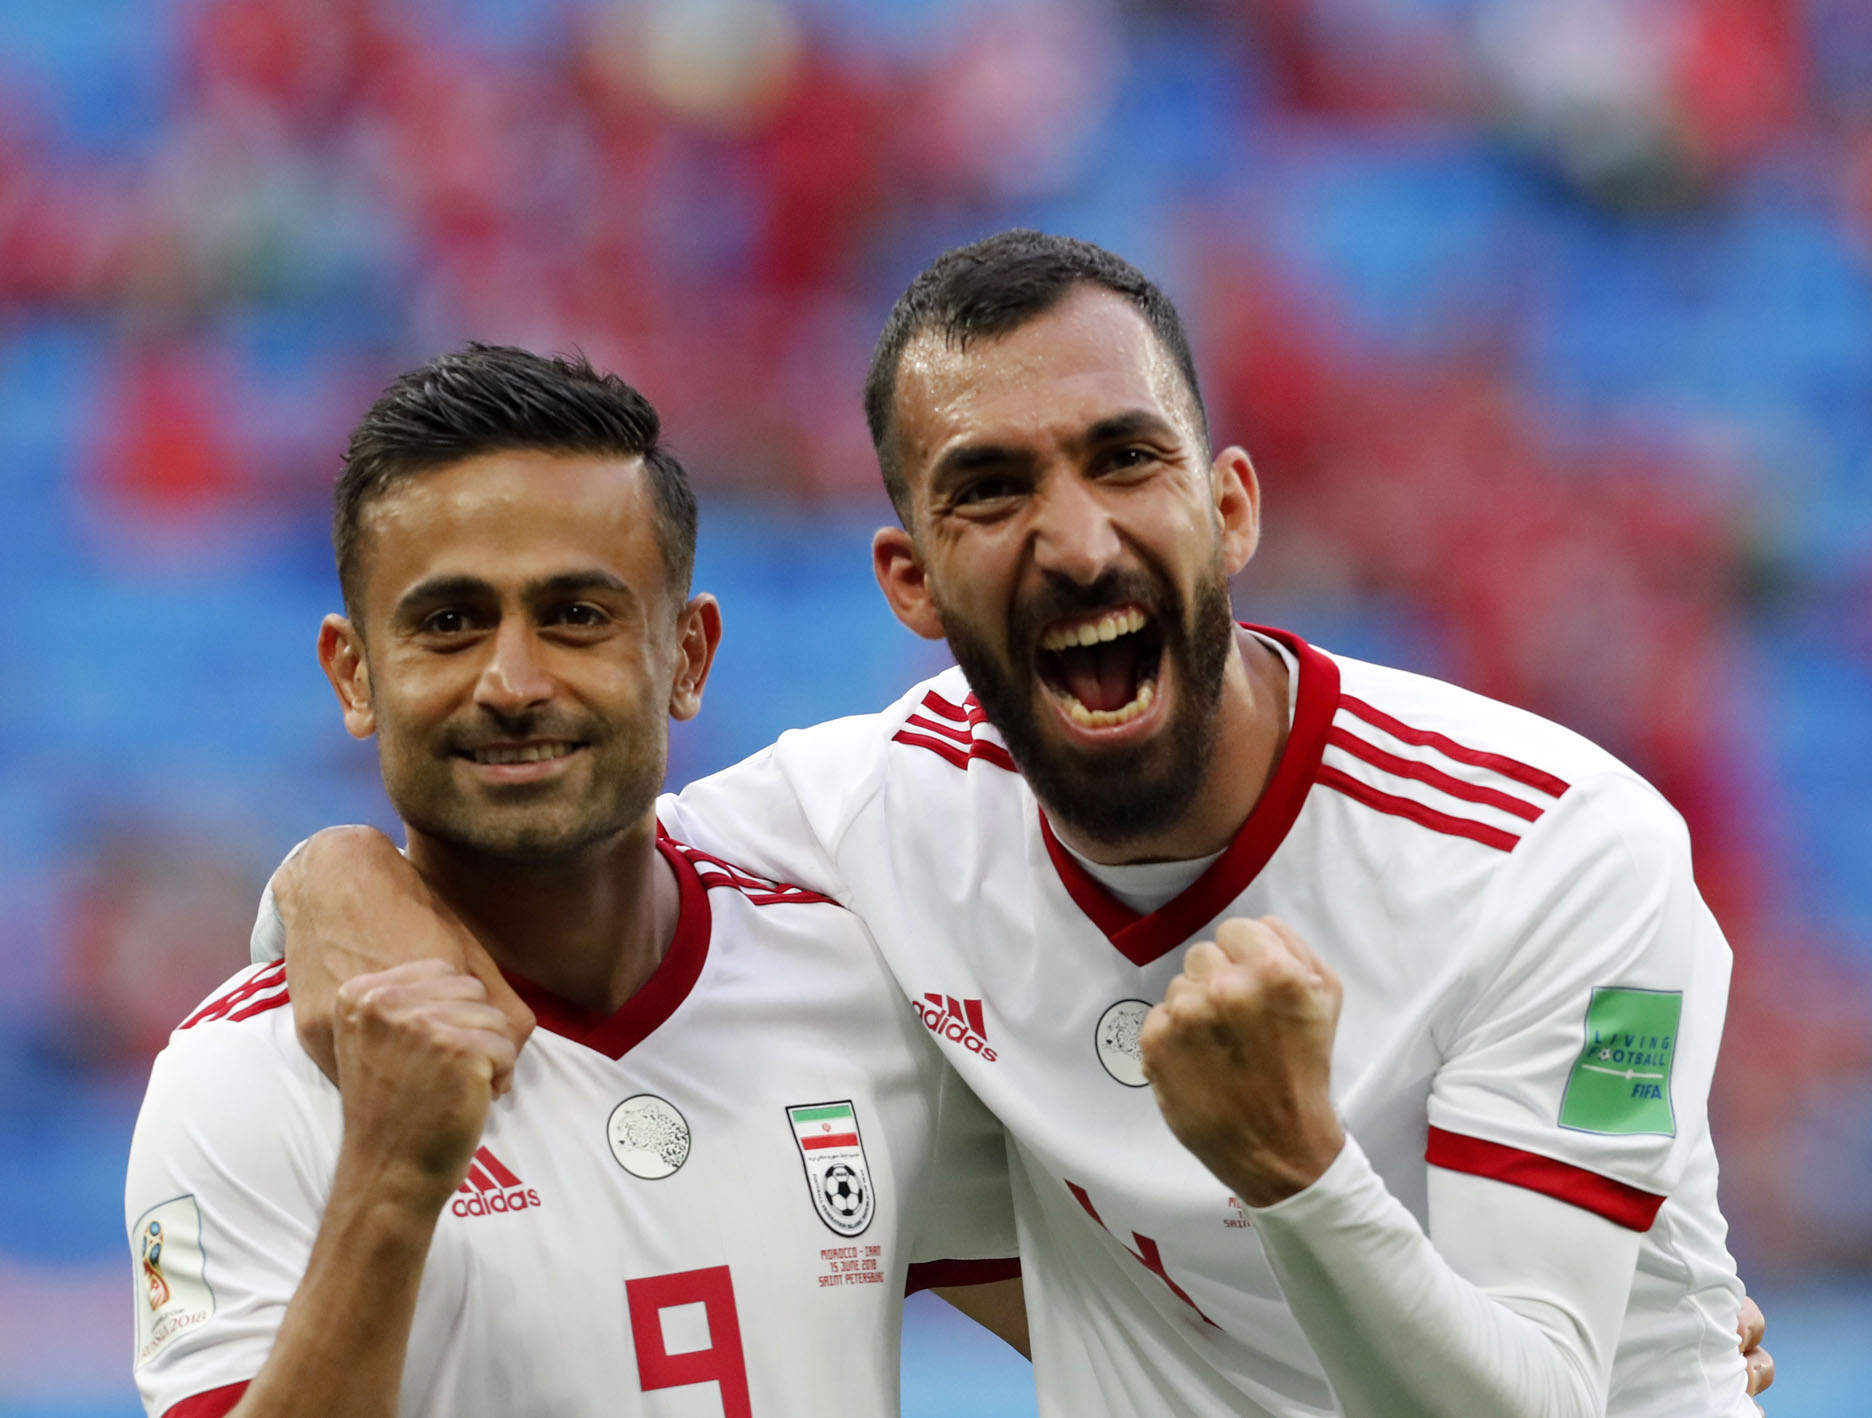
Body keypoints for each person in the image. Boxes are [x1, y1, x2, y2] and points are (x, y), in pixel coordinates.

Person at [270, 234, 1775, 1416]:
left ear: (1231, 505)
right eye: (988, 491)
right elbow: (545, 851)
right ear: (909, 580)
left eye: (1125, 457)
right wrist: (329, 876)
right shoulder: (872, 812)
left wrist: (1299, 1169)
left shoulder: (1560, 850)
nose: (1076, 538)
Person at [123, 345, 1021, 1418]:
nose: (512, 681)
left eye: (577, 615)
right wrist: (393, 1175)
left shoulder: (859, 981)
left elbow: (1135, 1327)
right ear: (353, 672)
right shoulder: (240, 1080)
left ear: (688, 655)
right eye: (450, 622)